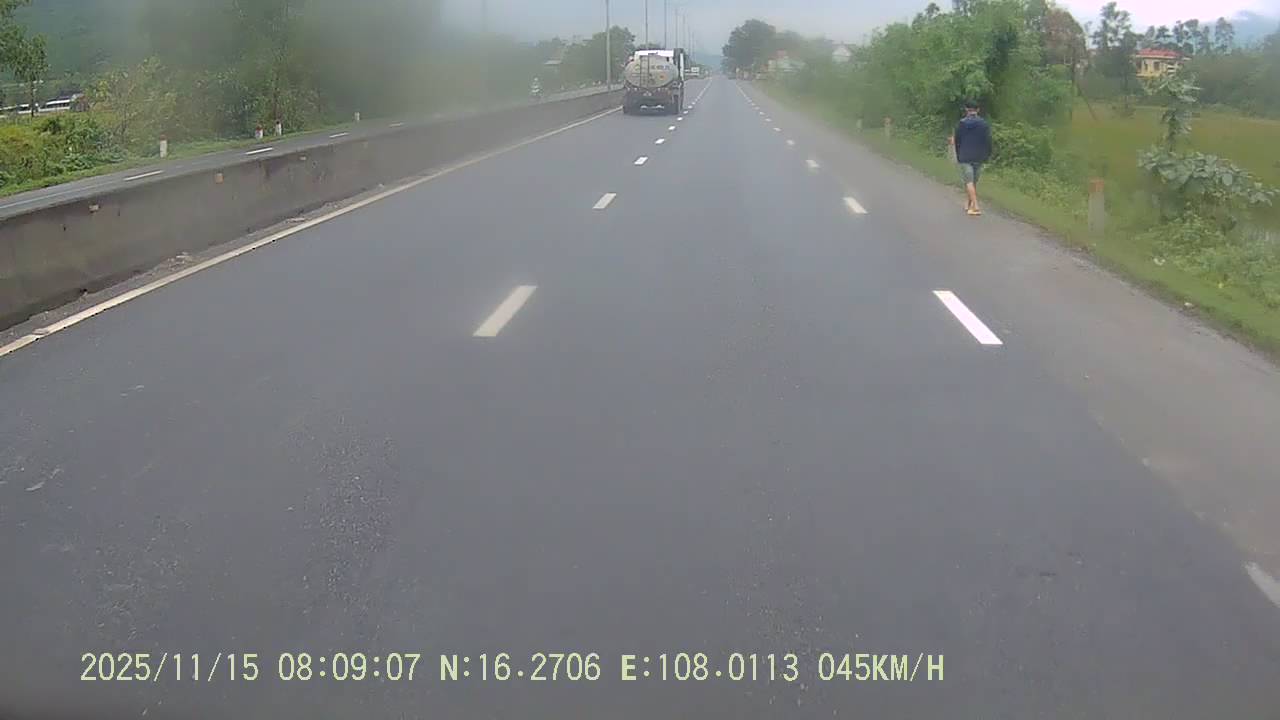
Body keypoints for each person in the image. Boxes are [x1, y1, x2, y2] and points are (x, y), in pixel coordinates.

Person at [953, 100, 992, 216]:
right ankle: (968, 204)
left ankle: (975, 205)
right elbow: (988, 141)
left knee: (969, 181)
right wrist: (987, 154)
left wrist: (958, 154)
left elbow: (957, 140)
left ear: (966, 109)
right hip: (979, 156)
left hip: (965, 155)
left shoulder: (962, 124)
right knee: (973, 182)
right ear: (978, 110)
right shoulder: (984, 124)